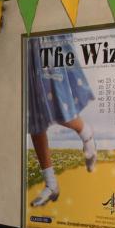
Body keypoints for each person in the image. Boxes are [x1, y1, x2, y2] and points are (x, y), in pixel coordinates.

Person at [26, 33, 97, 207]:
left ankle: (87, 134)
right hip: (29, 45)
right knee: (34, 118)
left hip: (50, 41)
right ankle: (51, 185)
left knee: (58, 105)